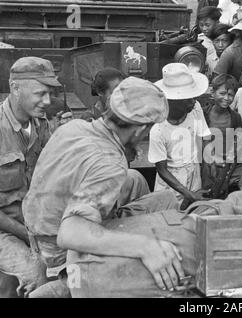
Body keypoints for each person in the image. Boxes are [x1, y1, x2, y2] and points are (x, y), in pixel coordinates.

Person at [22, 76, 182, 297]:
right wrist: (146, 247)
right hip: (60, 248)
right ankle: (65, 284)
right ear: (140, 129)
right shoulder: (110, 161)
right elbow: (71, 233)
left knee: (163, 197)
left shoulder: (76, 127)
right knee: (155, 239)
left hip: (39, 228)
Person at [0, 56, 62, 297]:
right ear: (15, 88)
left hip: (34, 222)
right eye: (40, 93)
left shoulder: (42, 125)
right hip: (6, 227)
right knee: (37, 271)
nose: (47, 101)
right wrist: (29, 235)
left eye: (49, 93)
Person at [149, 64, 211, 205]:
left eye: (193, 97)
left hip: (194, 173)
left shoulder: (195, 108)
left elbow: (205, 137)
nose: (193, 101)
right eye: (188, 99)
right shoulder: (158, 129)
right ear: (173, 101)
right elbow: (162, 170)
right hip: (171, 182)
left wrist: (206, 171)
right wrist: (187, 194)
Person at [201, 74, 242, 199]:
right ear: (212, 92)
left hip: (226, 164)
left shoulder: (235, 117)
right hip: (207, 163)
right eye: (222, 93)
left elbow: (238, 143)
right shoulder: (204, 114)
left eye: (231, 95)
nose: (226, 98)